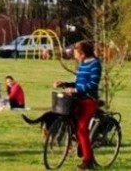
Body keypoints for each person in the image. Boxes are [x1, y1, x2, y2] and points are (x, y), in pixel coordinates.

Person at [54, 40, 102, 170]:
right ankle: (84, 148)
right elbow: (78, 83)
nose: (75, 56)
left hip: (89, 100)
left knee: (82, 129)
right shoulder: (81, 65)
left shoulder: (95, 64)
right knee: (74, 125)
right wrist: (65, 84)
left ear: (83, 53)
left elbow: (93, 84)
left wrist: (76, 90)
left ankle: (88, 161)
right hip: (77, 99)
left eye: (76, 54)